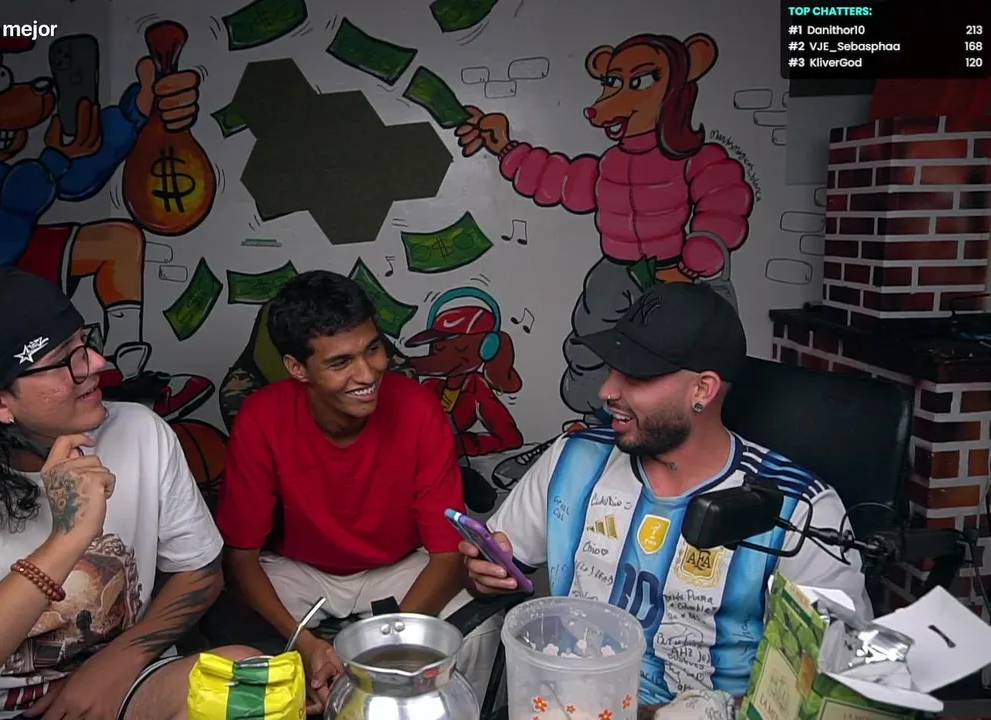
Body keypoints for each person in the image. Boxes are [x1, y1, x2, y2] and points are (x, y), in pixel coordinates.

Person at [0, 267, 255, 720]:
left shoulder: (141, 432)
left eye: (85, 342)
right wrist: (67, 539)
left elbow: (200, 571)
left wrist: (119, 660)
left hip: (124, 688)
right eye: (67, 359)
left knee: (245, 680)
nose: (98, 364)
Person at [463, 282, 870, 717]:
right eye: (612, 368)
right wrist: (484, 574)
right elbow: (492, 571)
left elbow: (830, 685)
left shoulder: (800, 510)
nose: (607, 391)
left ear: (703, 389)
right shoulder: (572, 461)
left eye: (635, 376)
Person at [216, 270, 502, 712]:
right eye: (340, 362)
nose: (368, 373)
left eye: (373, 349)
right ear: (297, 368)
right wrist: (307, 645)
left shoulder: (419, 409)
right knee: (223, 623)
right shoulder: (261, 418)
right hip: (301, 571)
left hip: (399, 566)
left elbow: (447, 555)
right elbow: (240, 558)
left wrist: (379, 648)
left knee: (479, 626)